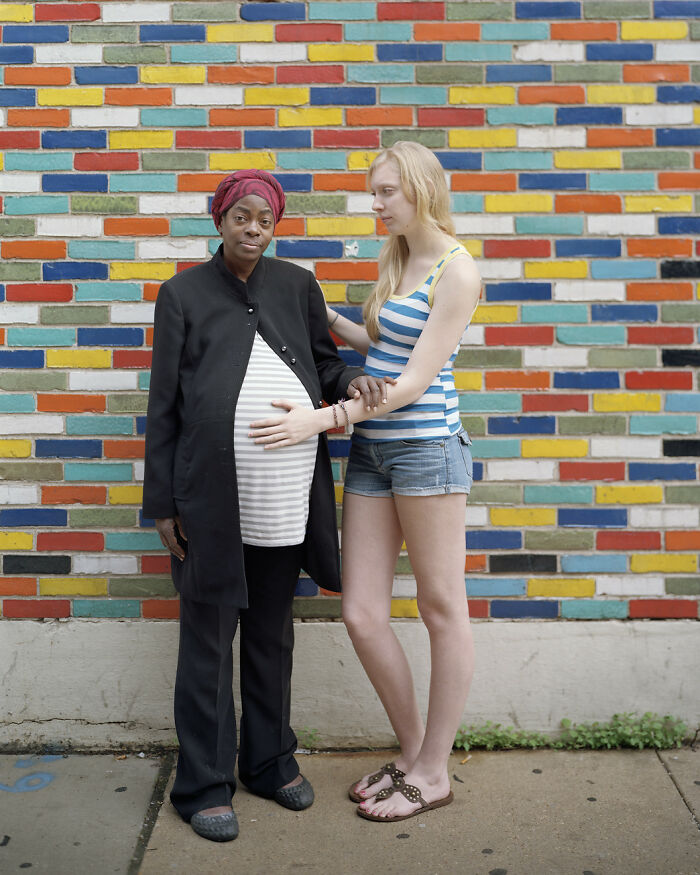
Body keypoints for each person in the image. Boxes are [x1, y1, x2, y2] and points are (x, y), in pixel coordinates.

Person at [142, 169, 391, 842]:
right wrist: (162, 500)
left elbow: (323, 363)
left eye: (266, 219)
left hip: (284, 499)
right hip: (209, 502)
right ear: (219, 219)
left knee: (271, 636)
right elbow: (163, 405)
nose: (254, 228)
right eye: (241, 216)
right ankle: (201, 783)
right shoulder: (182, 294)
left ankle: (269, 759)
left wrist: (353, 378)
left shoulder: (295, 285)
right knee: (206, 645)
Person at [249, 141, 481, 823]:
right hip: (375, 451)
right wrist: (308, 305)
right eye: (373, 192)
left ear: (418, 188)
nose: (374, 205)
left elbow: (412, 381)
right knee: (360, 611)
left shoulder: (456, 271)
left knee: (442, 607)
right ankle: (415, 754)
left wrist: (324, 418)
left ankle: (434, 769)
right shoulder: (397, 256)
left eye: (385, 192)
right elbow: (378, 347)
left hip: (428, 450)